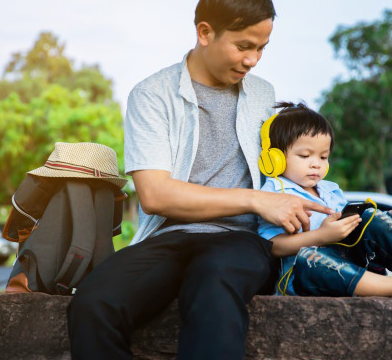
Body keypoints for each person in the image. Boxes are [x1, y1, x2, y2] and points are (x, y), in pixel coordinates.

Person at [67, 1, 336, 359]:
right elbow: (155, 195)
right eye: (243, 46)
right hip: (170, 237)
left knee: (213, 279)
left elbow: (302, 168)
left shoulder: (263, 95)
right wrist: (254, 199)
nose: (253, 60)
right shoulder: (151, 96)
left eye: (261, 49)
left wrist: (358, 216)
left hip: (242, 240)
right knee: (93, 303)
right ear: (205, 32)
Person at [257, 102, 392, 297]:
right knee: (310, 258)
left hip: (349, 262)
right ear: (276, 157)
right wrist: (320, 236)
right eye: (305, 156)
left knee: (375, 217)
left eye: (323, 157)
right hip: (304, 275)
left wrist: (386, 221)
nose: (316, 165)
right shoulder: (275, 192)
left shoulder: (330, 189)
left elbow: (355, 227)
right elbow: (272, 246)